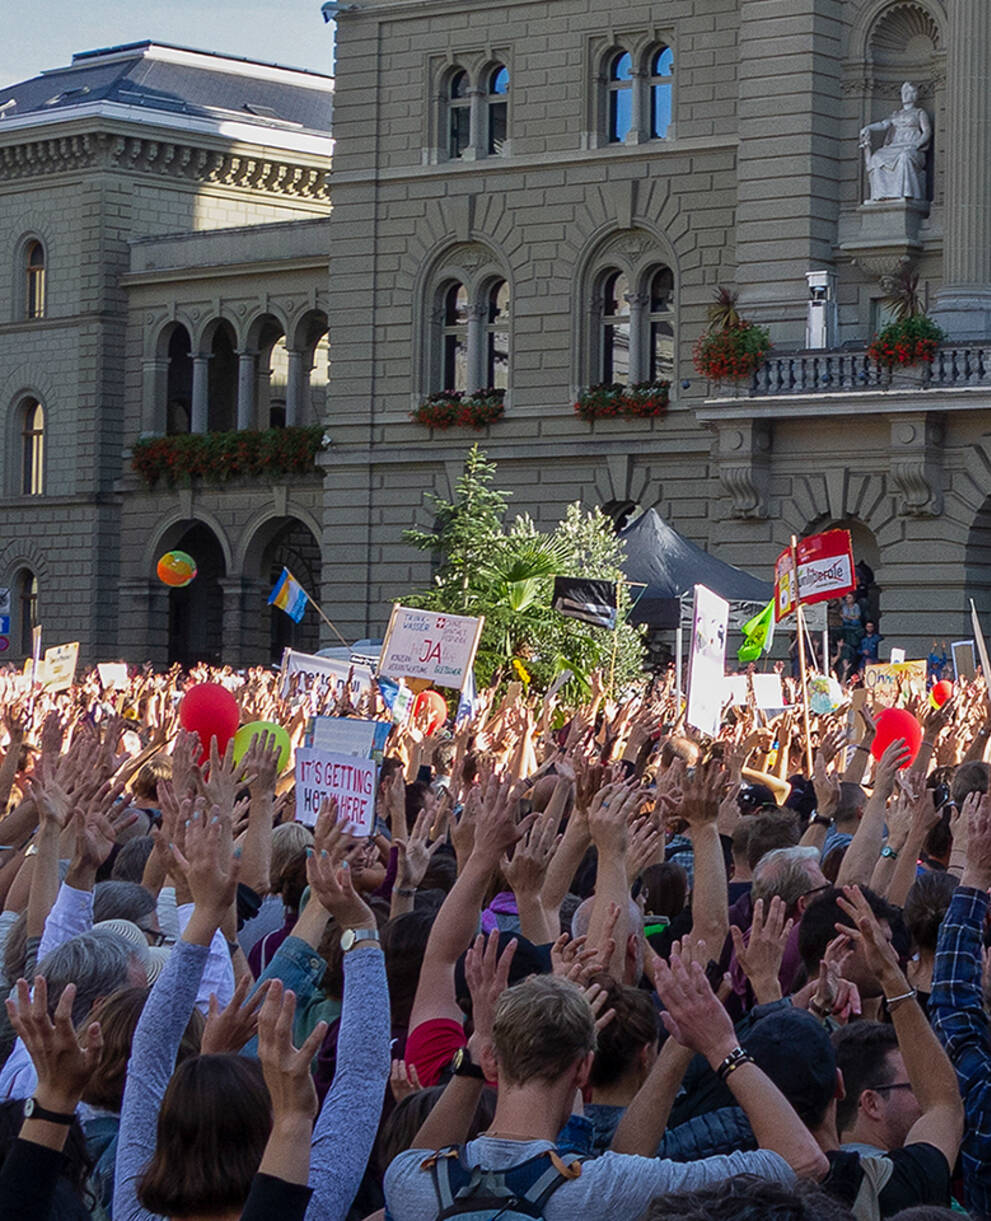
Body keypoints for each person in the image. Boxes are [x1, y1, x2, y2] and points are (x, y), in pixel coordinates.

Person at [385, 964, 826, 1221]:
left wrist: (476, 1056)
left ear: (493, 1062)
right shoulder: (608, 1188)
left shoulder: (411, 1184)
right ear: (583, 1071)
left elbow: (418, 1154)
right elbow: (802, 1160)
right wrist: (722, 1046)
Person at [859, 82, 931, 202]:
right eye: (903, 92)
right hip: (895, 146)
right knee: (877, 157)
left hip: (912, 147)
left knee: (904, 157)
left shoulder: (919, 113)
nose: (905, 95)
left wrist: (916, 145)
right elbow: (883, 124)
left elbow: (927, 131)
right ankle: (880, 195)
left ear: (914, 95)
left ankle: (903, 193)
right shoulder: (896, 114)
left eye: (908, 92)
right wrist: (868, 128)